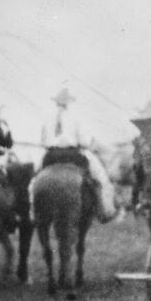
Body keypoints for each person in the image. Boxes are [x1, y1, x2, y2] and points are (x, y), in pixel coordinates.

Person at [40, 86, 117, 221]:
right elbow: (84, 141)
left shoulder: (47, 118)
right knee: (99, 176)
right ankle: (104, 210)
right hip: (73, 155)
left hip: (51, 156)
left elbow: (43, 142)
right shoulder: (75, 118)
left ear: (56, 102)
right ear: (68, 103)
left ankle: (32, 210)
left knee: (34, 178)